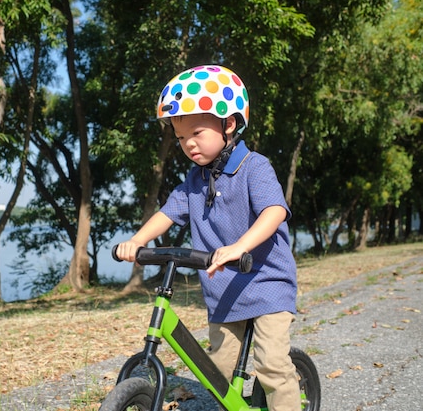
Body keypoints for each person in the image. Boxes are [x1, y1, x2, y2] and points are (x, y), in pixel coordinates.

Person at [115, 65, 301, 411]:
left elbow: (274, 212)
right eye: (182, 137)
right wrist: (138, 240)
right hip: (224, 289)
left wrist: (239, 246)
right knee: (218, 373)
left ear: (228, 124)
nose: (189, 144)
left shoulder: (254, 167)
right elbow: (169, 212)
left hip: (266, 282)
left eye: (197, 133)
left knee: (272, 365)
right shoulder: (195, 179)